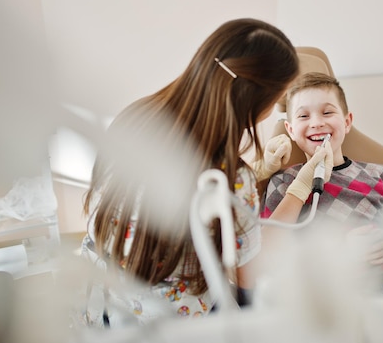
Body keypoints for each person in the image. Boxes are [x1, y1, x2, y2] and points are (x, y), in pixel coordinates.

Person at [77, 18, 332, 328]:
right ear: (256, 103)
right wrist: (301, 186)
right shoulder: (232, 180)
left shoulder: (135, 116)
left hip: (101, 304)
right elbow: (249, 282)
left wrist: (260, 170)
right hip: (171, 326)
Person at [262, 71, 383, 270]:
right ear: (290, 130)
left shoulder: (381, 175)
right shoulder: (283, 183)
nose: (316, 123)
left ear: (347, 122)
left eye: (327, 112)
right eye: (304, 115)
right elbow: (272, 255)